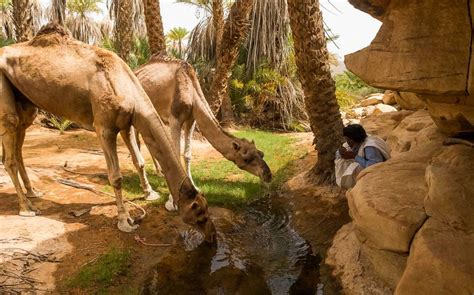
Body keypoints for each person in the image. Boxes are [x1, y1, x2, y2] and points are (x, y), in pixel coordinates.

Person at [335, 124, 391, 189]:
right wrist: (340, 152)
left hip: (379, 172)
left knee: (354, 167)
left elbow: (374, 166)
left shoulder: (370, 147)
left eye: (348, 139)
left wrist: (354, 156)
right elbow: (342, 150)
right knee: (342, 159)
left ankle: (355, 186)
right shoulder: (357, 141)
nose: (347, 142)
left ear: (353, 139)